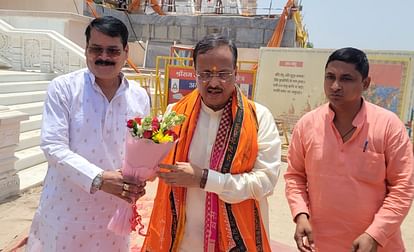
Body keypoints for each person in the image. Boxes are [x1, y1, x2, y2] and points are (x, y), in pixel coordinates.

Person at [141, 34, 281, 251]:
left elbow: (265, 182)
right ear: (194, 74)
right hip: (181, 240)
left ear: (236, 73)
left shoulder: (258, 118)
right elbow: (155, 165)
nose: (214, 83)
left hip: (236, 240)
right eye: (205, 74)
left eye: (223, 74)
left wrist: (205, 179)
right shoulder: (174, 114)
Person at [26, 16, 150, 251]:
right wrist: (99, 178)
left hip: (114, 213)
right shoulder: (63, 88)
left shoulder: (139, 96)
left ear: (126, 52)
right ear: (86, 50)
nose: (103, 57)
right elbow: (53, 146)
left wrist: (139, 177)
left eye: (112, 50)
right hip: (66, 212)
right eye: (96, 49)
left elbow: (141, 148)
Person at [284, 47, 414, 252]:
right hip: (321, 244)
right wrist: (300, 215)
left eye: (346, 79)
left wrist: (375, 235)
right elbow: (295, 176)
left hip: (378, 246)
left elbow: (403, 188)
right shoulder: (307, 125)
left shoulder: (388, 126)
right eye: (330, 77)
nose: (335, 86)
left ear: (365, 83)